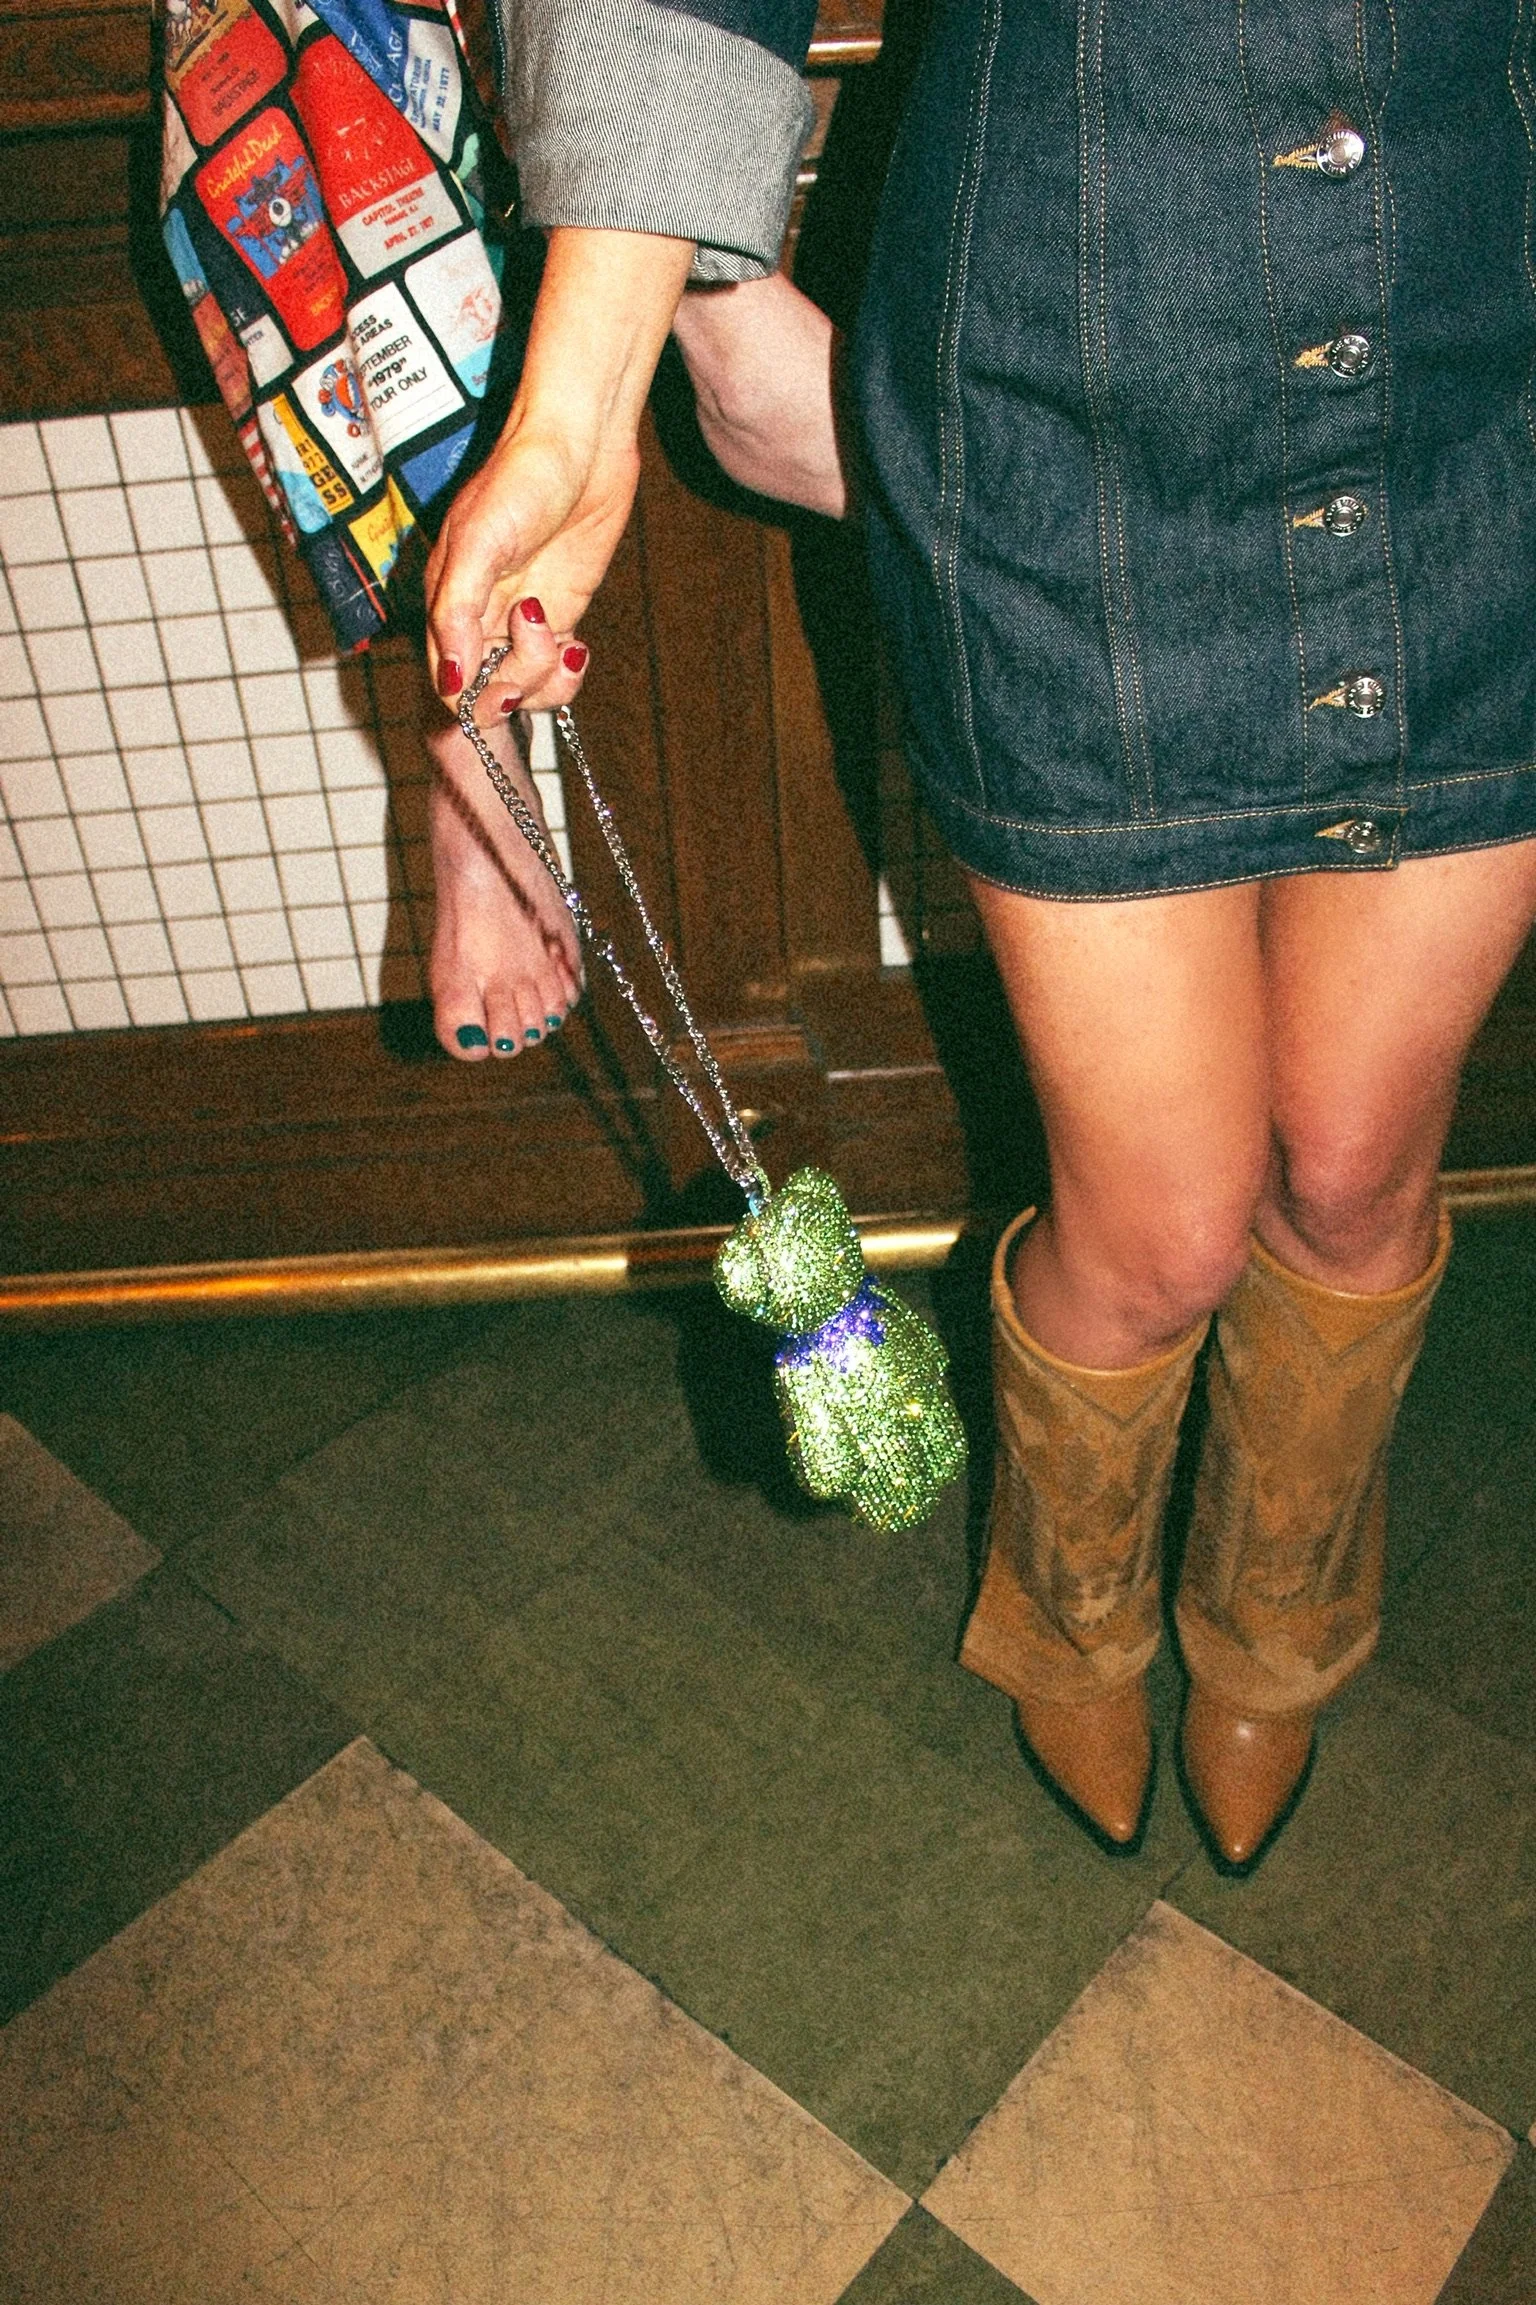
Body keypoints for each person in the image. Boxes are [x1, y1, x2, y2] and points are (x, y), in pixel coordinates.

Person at [427, 0, 1536, 1864]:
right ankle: (1068, 1610)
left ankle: (1281, 1619)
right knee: (1165, 1226)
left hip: (1482, 386)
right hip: (1069, 405)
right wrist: (583, 408)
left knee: (1356, 1170)